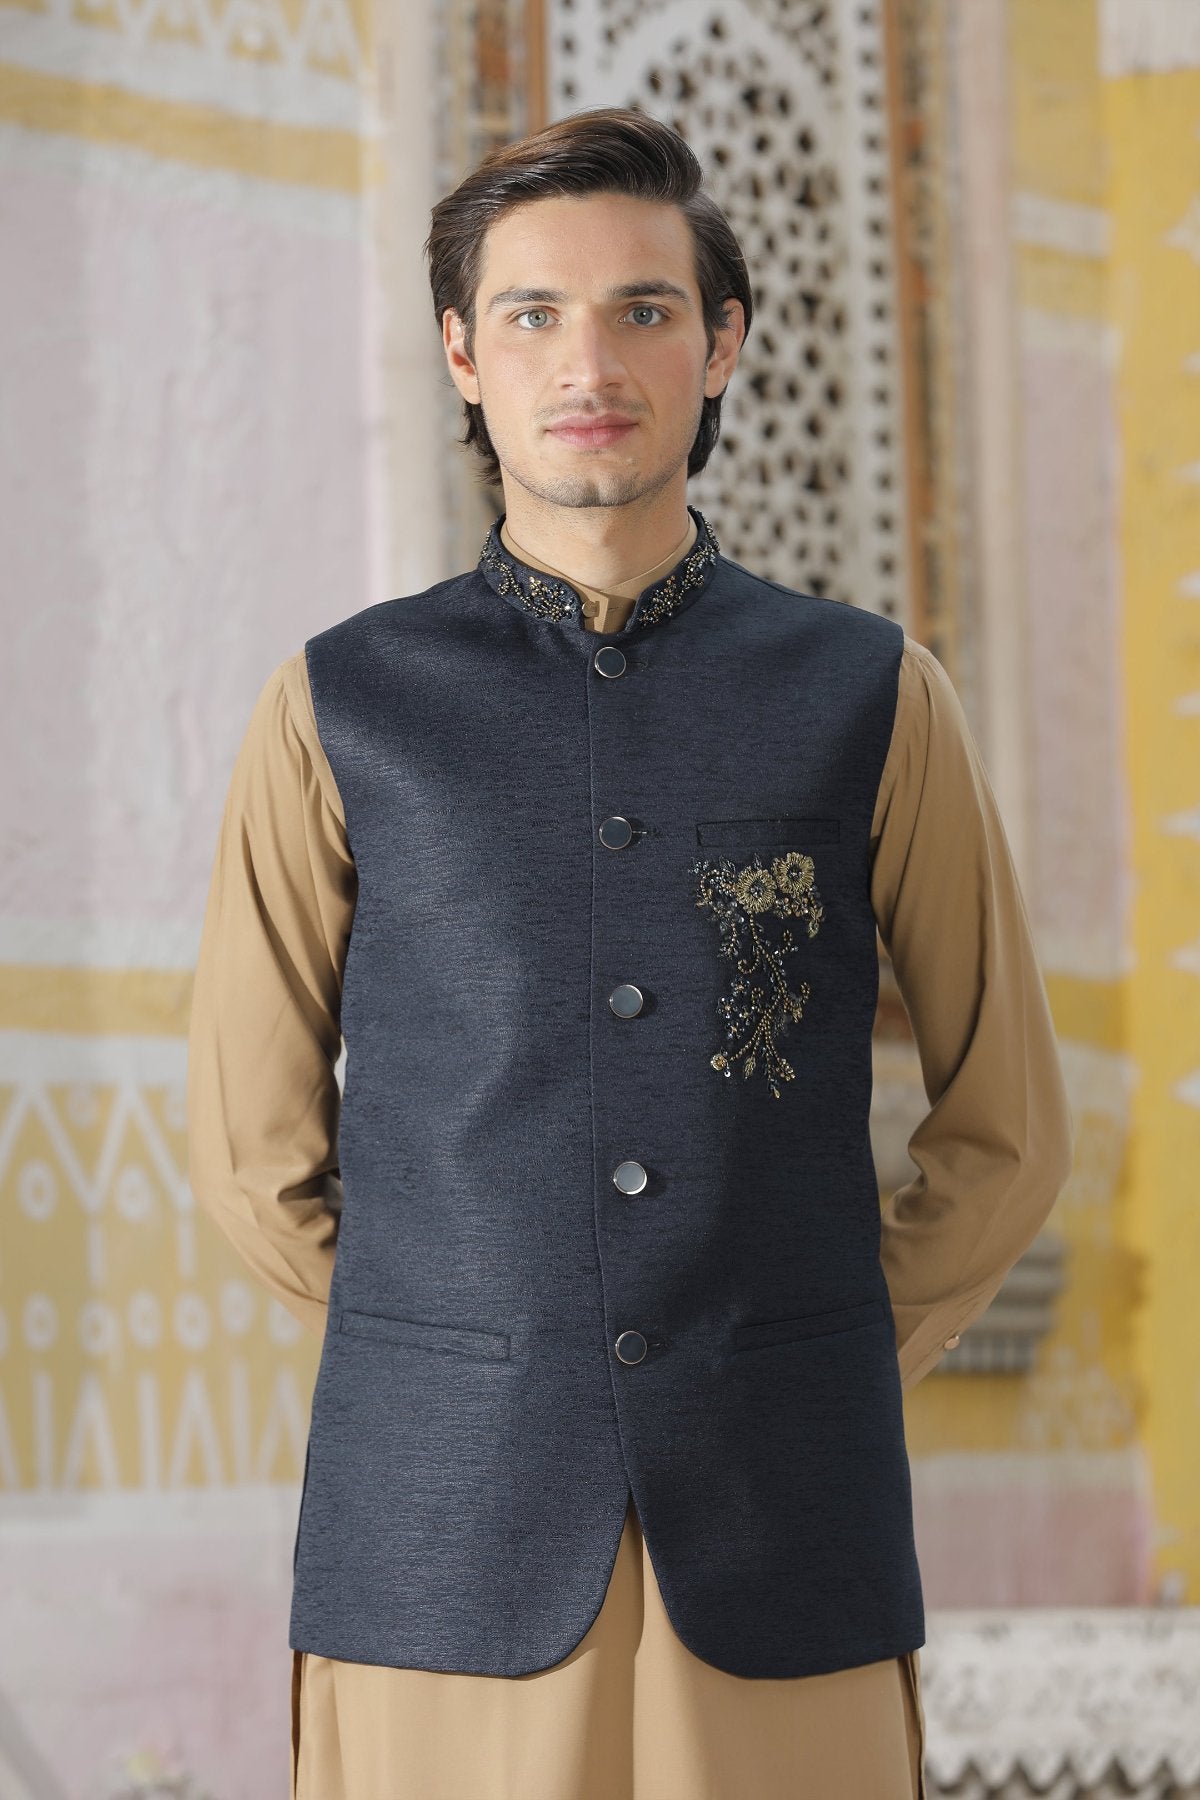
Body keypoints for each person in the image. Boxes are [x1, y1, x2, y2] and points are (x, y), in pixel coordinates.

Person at [186, 105, 1075, 1800]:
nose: (587, 362)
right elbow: (251, 1153)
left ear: (720, 343)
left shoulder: (872, 695)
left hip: (788, 1528)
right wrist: (474, 1355)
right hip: (437, 1535)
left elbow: (1011, 1132)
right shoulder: (339, 706)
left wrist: (805, 1355)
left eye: (643, 310)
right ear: (463, 354)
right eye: (532, 313)